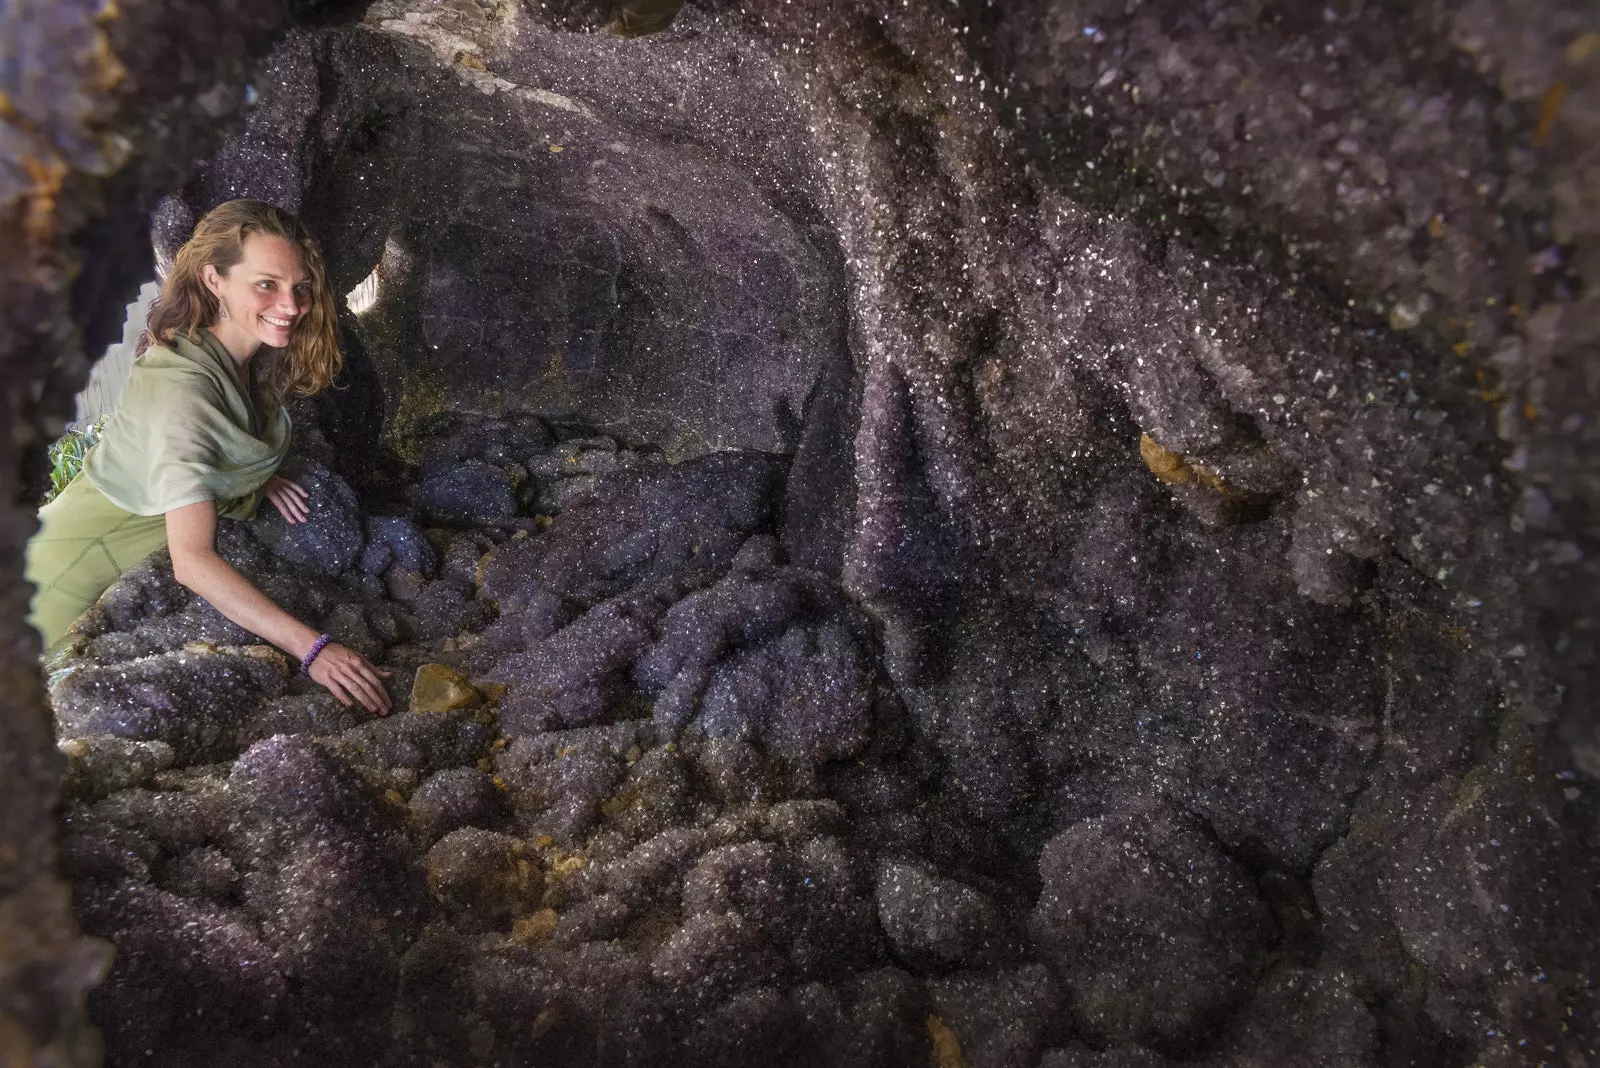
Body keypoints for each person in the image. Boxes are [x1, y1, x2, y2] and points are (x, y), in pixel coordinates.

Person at [25, 199, 392, 714]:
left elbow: (208, 445)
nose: (290, 304)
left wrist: (255, 476)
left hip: (108, 573)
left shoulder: (233, 358)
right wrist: (314, 649)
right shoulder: (184, 391)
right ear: (214, 279)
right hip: (64, 580)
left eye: (300, 287)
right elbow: (192, 562)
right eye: (266, 284)